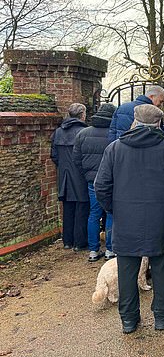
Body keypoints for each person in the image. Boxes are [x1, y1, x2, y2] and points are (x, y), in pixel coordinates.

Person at [94, 104, 164, 334]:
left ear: (135, 122)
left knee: (128, 270)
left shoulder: (115, 149)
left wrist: (115, 210)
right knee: (161, 267)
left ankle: (130, 319)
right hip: (161, 219)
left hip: (127, 219)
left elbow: (101, 187)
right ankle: (161, 315)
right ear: (158, 123)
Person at [72, 103, 117, 261]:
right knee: (111, 213)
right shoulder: (114, 135)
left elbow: (76, 158)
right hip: (111, 180)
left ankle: (93, 250)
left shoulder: (83, 134)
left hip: (92, 181)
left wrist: (86, 173)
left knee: (94, 214)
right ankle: (110, 250)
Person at [51, 103, 89, 251]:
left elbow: (53, 155)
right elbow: (85, 156)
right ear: (82, 115)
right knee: (82, 208)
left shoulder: (58, 132)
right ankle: (80, 242)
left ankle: (67, 241)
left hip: (64, 176)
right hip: (80, 175)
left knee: (68, 209)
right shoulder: (84, 132)